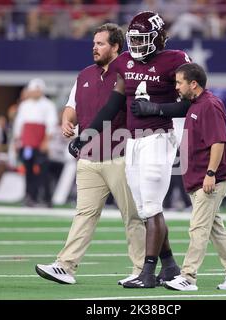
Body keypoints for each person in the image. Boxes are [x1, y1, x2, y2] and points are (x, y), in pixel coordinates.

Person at [68, 11, 191, 288]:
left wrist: (156, 108)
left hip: (160, 136)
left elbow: (191, 100)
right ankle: (169, 265)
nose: (136, 45)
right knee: (145, 207)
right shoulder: (124, 61)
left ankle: (147, 272)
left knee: (150, 206)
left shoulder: (175, 60)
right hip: (133, 140)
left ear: (159, 38)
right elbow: (112, 106)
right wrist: (86, 135)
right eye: (133, 39)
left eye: (143, 39)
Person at [35, 23, 146, 285]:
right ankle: (65, 265)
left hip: (120, 154)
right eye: (94, 43)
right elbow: (71, 106)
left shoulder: (130, 74)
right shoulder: (84, 74)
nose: (94, 48)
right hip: (88, 157)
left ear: (116, 46)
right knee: (84, 214)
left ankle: (142, 269)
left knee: (132, 216)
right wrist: (66, 120)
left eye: (100, 43)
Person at [134, 63, 226, 291]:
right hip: (199, 177)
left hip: (211, 178)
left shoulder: (210, 105)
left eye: (179, 82)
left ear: (193, 84)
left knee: (198, 228)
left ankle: (188, 276)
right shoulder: (196, 104)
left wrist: (210, 173)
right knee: (214, 228)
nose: (176, 87)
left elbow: (218, 142)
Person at [12, 78, 58, 207]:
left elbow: (51, 124)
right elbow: (19, 124)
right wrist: (17, 141)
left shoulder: (48, 105)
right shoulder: (24, 105)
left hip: (40, 142)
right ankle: (30, 196)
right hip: (27, 143)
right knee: (28, 170)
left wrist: (45, 142)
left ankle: (46, 198)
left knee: (43, 171)